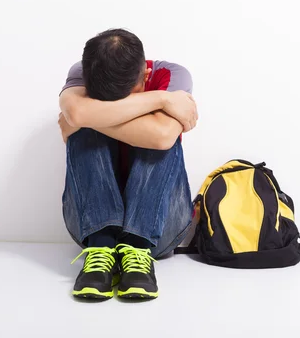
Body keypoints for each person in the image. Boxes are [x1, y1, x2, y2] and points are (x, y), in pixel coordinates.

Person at [58, 28, 198, 300]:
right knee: (85, 131)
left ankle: (137, 247)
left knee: (157, 140)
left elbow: (160, 136)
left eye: (125, 95)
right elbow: (75, 112)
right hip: (89, 226)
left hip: (160, 228)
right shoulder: (83, 71)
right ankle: (101, 247)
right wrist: (160, 100)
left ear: (145, 75)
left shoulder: (173, 75)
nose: (116, 103)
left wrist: (90, 116)